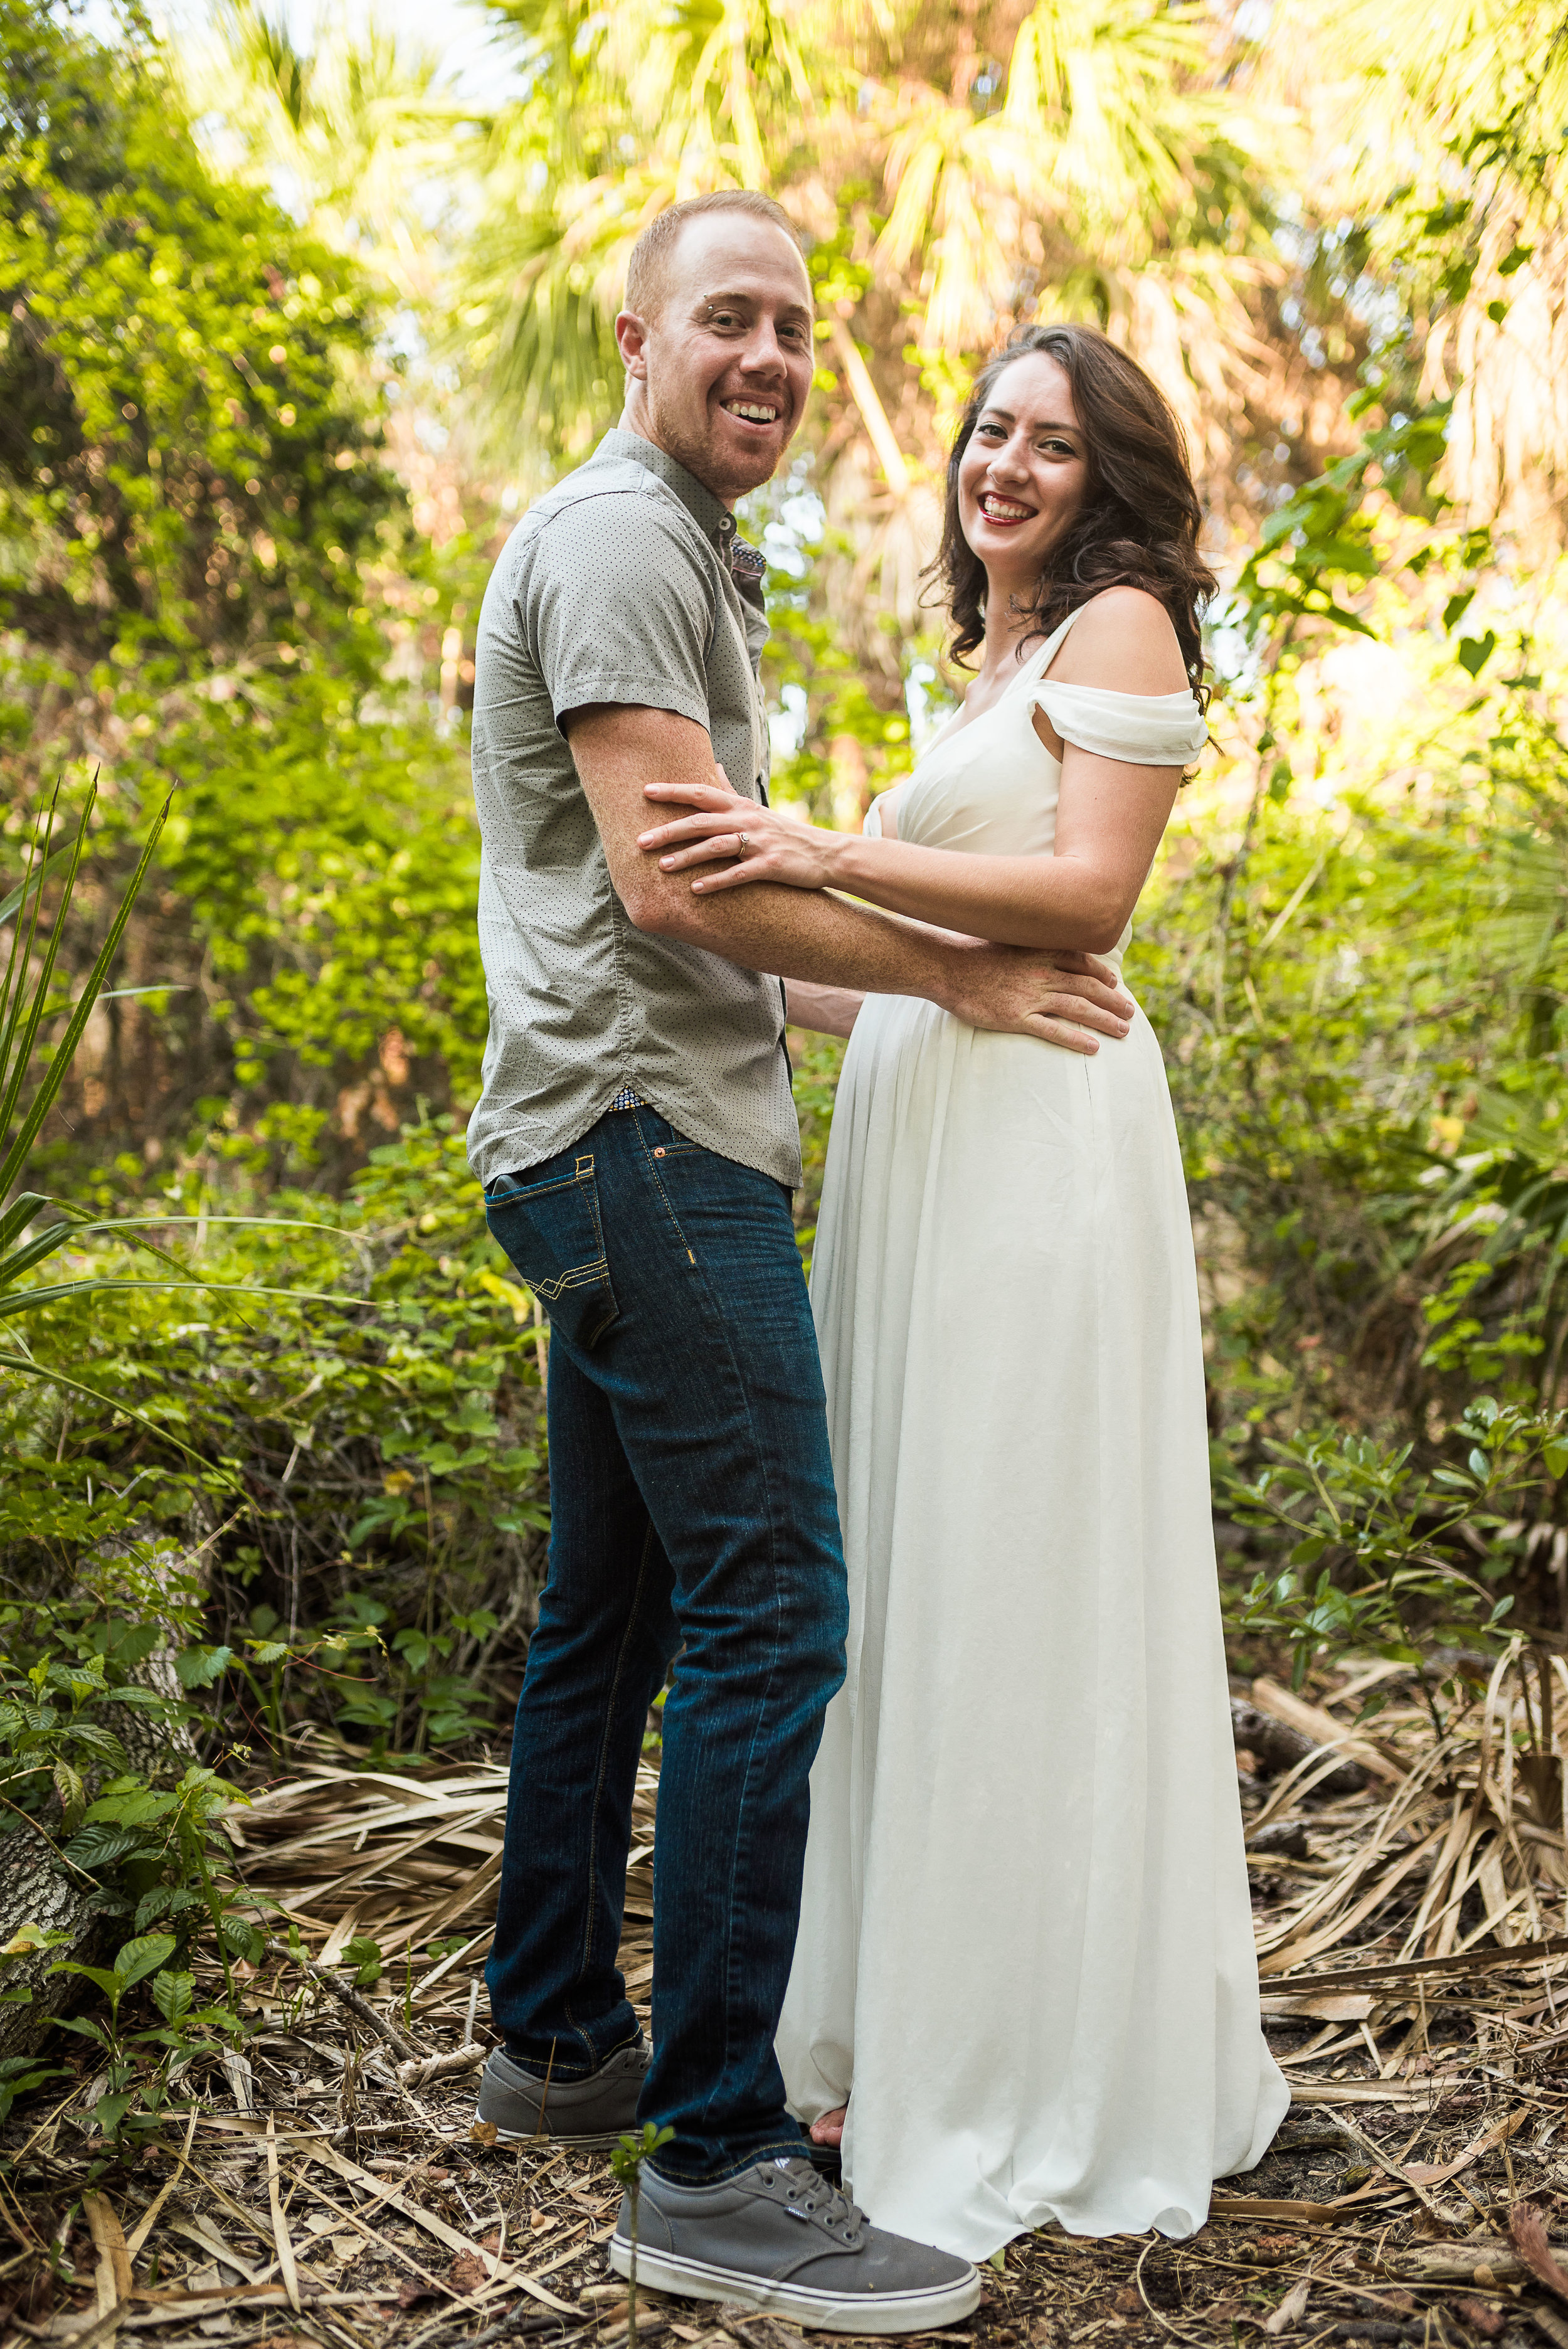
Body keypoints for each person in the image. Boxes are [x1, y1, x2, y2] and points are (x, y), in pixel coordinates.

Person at [465, 199, 1139, 2326]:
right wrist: (963, 972)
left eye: (793, 326)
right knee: (779, 1617)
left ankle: (558, 2033)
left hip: (608, 1134)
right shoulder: (618, 545)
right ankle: (723, 2157)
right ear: (638, 328)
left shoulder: (680, 549)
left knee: (615, 1607)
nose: (765, 356)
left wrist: (922, 998)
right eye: (728, 321)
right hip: (649, 1155)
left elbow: (731, 930)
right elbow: (685, 894)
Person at [634, 321, 1291, 2254]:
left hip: (1040, 1149)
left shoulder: (1121, 635)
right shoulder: (990, 664)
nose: (1002, 463)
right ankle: (902, 2021)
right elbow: (911, 959)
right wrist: (737, 953)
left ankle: (1037, 2048)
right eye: (988, 429)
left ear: (1111, 482)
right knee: (913, 1560)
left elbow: (1087, 899)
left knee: (1013, 1560)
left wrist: (815, 841)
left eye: (1053, 443)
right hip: (930, 1131)